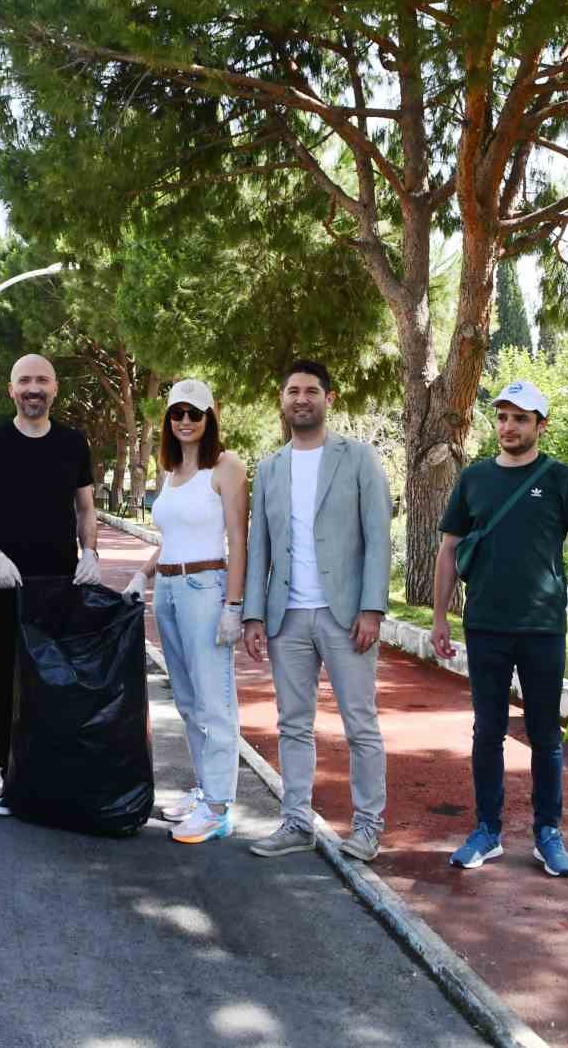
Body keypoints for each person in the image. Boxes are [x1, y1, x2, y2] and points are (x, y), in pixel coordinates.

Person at [433, 379, 568, 878]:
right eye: (503, 417)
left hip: (542, 629)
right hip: (484, 626)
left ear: (540, 425)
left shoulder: (561, 480)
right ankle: (487, 830)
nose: (508, 427)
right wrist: (442, 617)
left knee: (544, 736)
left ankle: (547, 833)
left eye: (520, 418)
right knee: (487, 731)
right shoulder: (473, 479)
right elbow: (448, 550)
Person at [241, 360, 392, 861]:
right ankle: (295, 821)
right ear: (282, 400)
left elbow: (378, 539)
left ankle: (368, 826)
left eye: (310, 391)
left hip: (345, 615)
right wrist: (254, 615)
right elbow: (257, 545)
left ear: (330, 398)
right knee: (293, 724)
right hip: (287, 618)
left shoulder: (359, 459)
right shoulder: (269, 468)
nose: (301, 399)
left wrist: (372, 607)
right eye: (291, 391)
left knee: (360, 723)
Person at [0, 353, 103, 816]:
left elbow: (84, 507)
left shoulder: (74, 443)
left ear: (55, 389)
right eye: (25, 381)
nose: (33, 388)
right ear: (11, 390)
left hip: (60, 580)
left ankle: (52, 774)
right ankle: (11, 777)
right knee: (8, 678)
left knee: (57, 679)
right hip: (6, 583)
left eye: (41, 380)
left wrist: (91, 551)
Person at [122, 379, 247, 844]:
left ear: (210, 417)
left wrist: (233, 605)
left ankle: (218, 807)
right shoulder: (171, 474)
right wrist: (143, 574)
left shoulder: (226, 466)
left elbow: (238, 540)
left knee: (215, 699)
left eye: (195, 413)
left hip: (205, 586)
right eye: (178, 413)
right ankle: (204, 790)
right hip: (169, 590)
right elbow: (170, 540)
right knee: (189, 700)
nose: (186, 421)